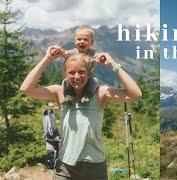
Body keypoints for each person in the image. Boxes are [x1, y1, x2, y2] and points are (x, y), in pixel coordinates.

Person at [20, 45, 142, 179]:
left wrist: (113, 64)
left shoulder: (100, 93)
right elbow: (26, 89)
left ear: (89, 73)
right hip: (65, 166)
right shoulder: (59, 92)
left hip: (94, 165)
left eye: (82, 72)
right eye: (71, 72)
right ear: (66, 74)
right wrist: (47, 59)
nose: (76, 76)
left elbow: (135, 94)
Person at [51, 25, 100, 104]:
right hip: (73, 77)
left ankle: (87, 95)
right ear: (74, 41)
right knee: (65, 81)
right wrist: (58, 51)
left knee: (94, 81)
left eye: (85, 39)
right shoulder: (72, 52)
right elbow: (65, 53)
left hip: (89, 77)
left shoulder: (93, 53)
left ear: (91, 43)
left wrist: (100, 58)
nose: (82, 41)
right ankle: (68, 96)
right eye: (79, 39)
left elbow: (97, 57)